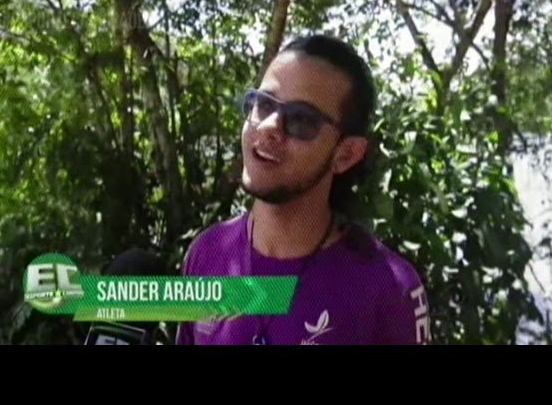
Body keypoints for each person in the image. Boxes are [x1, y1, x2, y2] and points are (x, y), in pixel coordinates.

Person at [176, 34, 431, 345]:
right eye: (263, 104)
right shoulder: (209, 253)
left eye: (300, 119)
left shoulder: (389, 289)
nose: (269, 126)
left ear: (345, 153)